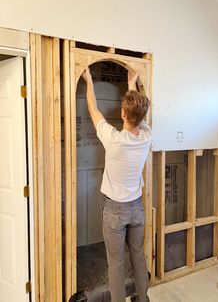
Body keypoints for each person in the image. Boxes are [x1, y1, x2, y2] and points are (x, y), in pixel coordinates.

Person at [81, 67, 152, 302]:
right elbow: (137, 115)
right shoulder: (146, 136)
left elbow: (94, 110)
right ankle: (142, 299)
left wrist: (89, 80)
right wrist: (131, 84)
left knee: (116, 264)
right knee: (139, 256)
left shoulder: (113, 139)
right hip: (136, 209)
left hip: (114, 212)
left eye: (123, 107)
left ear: (123, 113)